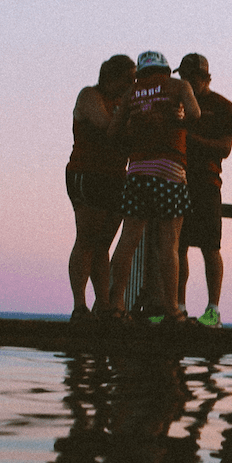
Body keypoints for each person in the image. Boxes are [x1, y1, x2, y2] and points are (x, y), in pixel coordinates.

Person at [108, 51, 200, 324]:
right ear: (166, 68)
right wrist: (176, 123)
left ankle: (115, 305)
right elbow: (195, 114)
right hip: (170, 168)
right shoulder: (179, 86)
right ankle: (172, 309)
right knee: (170, 243)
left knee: (128, 239)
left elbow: (113, 131)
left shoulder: (132, 93)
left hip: (138, 169)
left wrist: (137, 130)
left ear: (141, 71)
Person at [66, 54, 136, 323]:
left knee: (103, 243)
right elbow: (107, 126)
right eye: (129, 78)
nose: (132, 84)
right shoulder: (89, 96)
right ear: (112, 77)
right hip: (88, 172)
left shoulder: (123, 104)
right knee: (87, 238)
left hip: (116, 176)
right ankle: (80, 306)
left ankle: (104, 304)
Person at [175, 54, 232, 327]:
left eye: (191, 78)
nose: (186, 82)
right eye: (183, 77)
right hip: (177, 181)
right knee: (177, 246)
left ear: (205, 78)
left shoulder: (223, 106)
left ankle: (213, 310)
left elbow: (225, 148)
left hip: (208, 183)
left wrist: (190, 140)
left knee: (211, 247)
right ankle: (178, 307)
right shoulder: (176, 102)